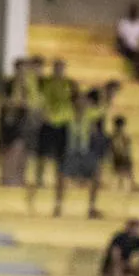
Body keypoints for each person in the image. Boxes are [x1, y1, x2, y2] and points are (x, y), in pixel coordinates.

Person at [53, 93, 104, 220]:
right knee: (61, 175)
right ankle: (58, 205)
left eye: (84, 102)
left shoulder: (89, 114)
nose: (82, 105)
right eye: (79, 102)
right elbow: (53, 118)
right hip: (70, 151)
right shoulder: (67, 113)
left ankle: (92, 207)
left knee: (97, 173)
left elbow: (102, 110)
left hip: (84, 151)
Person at [35, 59, 76, 188]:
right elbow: (40, 99)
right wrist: (42, 115)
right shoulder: (46, 83)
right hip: (49, 121)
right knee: (43, 152)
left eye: (61, 68)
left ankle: (60, 180)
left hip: (64, 122)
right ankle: (40, 180)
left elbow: (75, 101)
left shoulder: (70, 84)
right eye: (57, 68)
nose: (59, 71)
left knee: (62, 155)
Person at [115, 3, 139, 84]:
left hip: (137, 49)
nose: (133, 12)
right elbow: (119, 39)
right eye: (132, 10)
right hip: (125, 47)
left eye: (135, 11)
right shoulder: (123, 23)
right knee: (137, 55)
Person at [108, 116, 139, 192]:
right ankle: (129, 184)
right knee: (126, 168)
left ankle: (128, 184)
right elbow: (116, 149)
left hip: (120, 158)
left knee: (126, 167)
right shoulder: (117, 137)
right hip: (118, 158)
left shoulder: (121, 136)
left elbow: (126, 149)